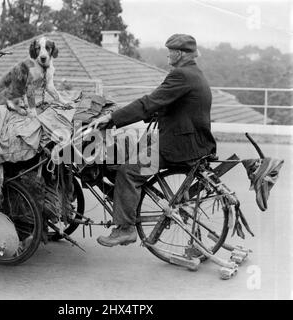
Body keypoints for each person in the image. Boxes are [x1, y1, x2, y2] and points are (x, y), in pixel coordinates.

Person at [89, 34, 217, 247]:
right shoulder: (195, 74)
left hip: (179, 147)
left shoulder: (181, 75)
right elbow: (168, 105)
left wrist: (112, 118)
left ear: (180, 54)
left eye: (170, 51)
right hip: (193, 142)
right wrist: (150, 113)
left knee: (128, 172)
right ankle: (126, 204)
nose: (168, 55)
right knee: (135, 150)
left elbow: (150, 101)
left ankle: (125, 229)